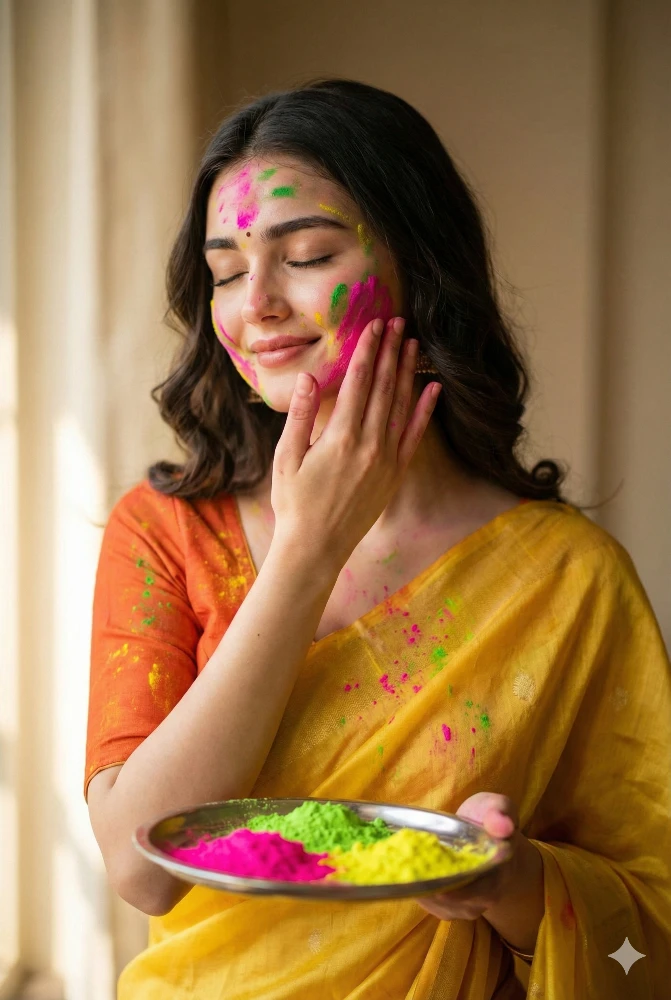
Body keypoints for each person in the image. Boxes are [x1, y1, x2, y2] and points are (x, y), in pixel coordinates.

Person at [85, 79, 671, 999]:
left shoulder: (567, 580)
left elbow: (648, 937)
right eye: (228, 272)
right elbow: (141, 868)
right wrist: (307, 553)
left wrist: (510, 885)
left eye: (307, 254)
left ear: (421, 266)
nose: (258, 304)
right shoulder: (164, 535)